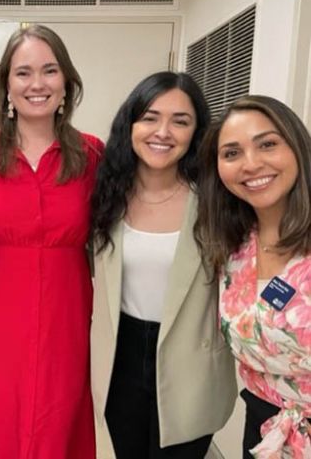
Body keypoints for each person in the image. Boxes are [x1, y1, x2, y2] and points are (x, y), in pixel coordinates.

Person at [0, 24, 103, 459]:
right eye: (23, 73)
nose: (37, 84)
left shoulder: (91, 154)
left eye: (49, 71)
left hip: (66, 311)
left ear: (66, 82)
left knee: (57, 411)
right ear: (6, 86)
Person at [90, 72, 236, 459]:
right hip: (121, 357)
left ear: (197, 133)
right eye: (151, 117)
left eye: (180, 121)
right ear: (131, 124)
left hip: (191, 358)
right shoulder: (107, 195)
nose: (163, 132)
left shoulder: (216, 199)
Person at [194, 95, 311, 458]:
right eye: (231, 153)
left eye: (268, 144)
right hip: (264, 428)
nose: (251, 164)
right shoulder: (232, 250)